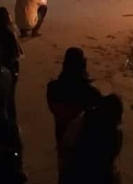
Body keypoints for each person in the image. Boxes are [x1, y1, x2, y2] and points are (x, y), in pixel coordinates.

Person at [47, 48, 102, 184]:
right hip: (83, 143)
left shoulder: (53, 88)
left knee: (65, 174)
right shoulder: (90, 93)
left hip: (62, 138)